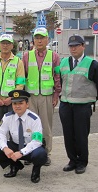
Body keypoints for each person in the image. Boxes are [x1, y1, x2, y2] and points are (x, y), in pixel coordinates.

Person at [59, 35, 98, 174]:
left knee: (81, 135)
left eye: (76, 46)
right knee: (68, 134)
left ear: (83, 46)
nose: (73, 48)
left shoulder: (93, 64)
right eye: (71, 46)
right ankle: (72, 160)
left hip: (82, 106)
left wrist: (89, 100)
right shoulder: (64, 62)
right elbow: (62, 81)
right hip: (66, 105)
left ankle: (82, 162)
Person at [0, 90, 47, 183]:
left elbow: (37, 141)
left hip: (30, 148)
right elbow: (0, 134)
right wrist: (5, 148)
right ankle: (15, 165)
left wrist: (21, 152)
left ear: (27, 104)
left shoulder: (34, 119)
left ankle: (36, 170)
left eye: (21, 103)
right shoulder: (7, 117)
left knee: (40, 154)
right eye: (15, 103)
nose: (17, 106)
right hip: (15, 146)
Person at [22, 27, 61, 166]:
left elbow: (57, 76)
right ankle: (29, 152)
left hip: (47, 96)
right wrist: (23, 96)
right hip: (30, 96)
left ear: (47, 39)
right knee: (29, 126)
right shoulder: (26, 56)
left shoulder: (54, 56)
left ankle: (46, 153)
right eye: (37, 38)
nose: (39, 40)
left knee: (46, 127)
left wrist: (56, 94)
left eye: (42, 37)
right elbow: (23, 76)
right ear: (33, 40)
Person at [0, 34, 25, 167]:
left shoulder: (18, 62)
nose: (5, 45)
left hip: (11, 102)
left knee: (13, 129)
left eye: (8, 43)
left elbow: (20, 83)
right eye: (3, 43)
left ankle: (14, 155)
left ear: (12, 46)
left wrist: (12, 98)